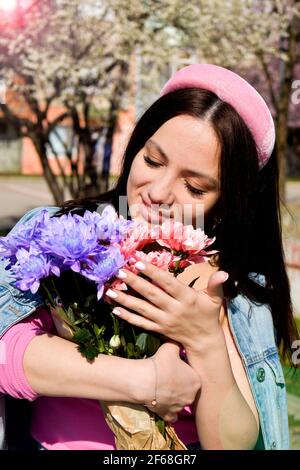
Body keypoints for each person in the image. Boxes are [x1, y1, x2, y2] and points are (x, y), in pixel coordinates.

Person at [0, 64, 298, 450]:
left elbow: (233, 443)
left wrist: (206, 340)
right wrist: (144, 380)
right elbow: (8, 351)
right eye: (153, 161)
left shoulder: (233, 289)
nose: (158, 192)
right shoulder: (64, 237)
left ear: (228, 201)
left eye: (193, 186)